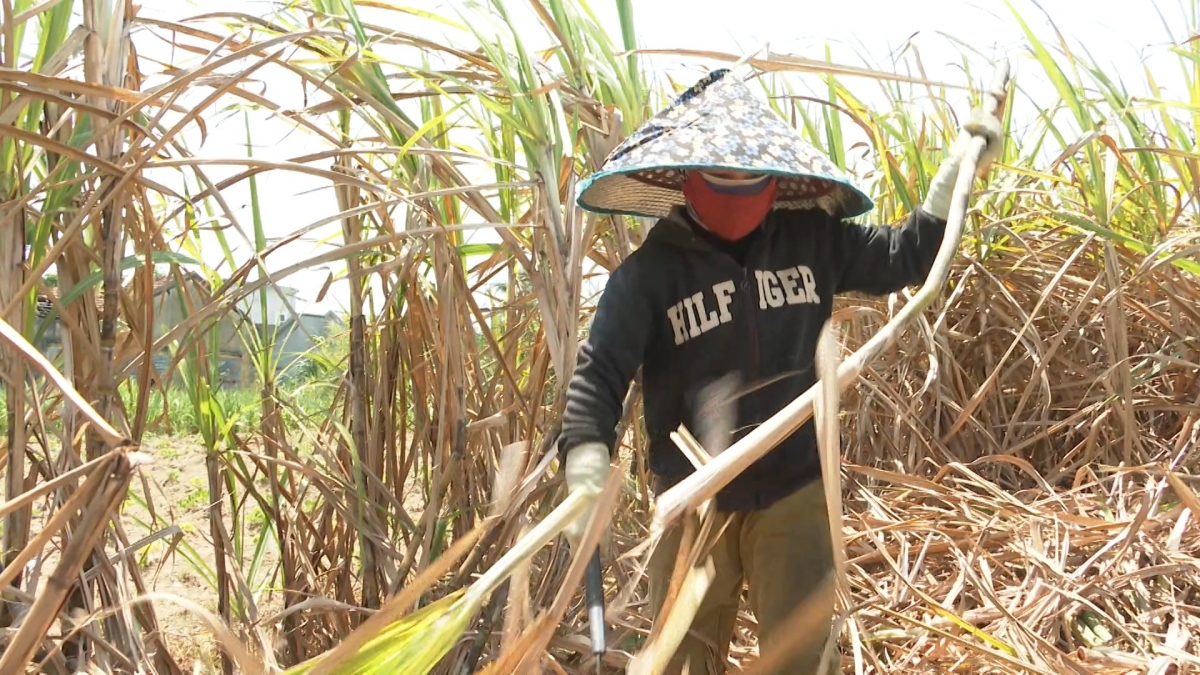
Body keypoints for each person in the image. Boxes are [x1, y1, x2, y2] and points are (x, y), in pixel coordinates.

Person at [558, 68, 1003, 674]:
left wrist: (957, 173)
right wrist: (586, 462)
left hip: (795, 491)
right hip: (696, 503)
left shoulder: (811, 242)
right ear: (688, 179)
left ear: (775, 181)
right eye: (721, 175)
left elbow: (909, 256)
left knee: (800, 662)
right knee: (681, 662)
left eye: (750, 176)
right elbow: (599, 375)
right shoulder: (648, 277)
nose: (736, 190)